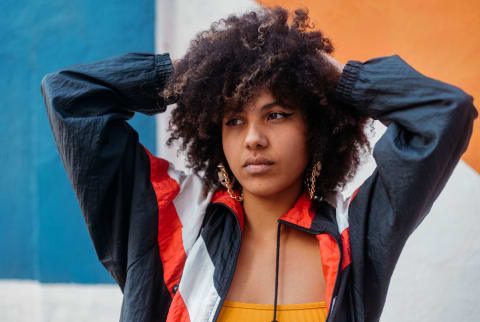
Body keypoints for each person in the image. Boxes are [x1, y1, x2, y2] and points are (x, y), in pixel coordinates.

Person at [40, 6, 477, 322]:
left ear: (316, 126)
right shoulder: (171, 221)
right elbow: (70, 97)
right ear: (215, 133)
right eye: (234, 119)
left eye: (277, 114)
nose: (253, 138)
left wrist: (341, 79)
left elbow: (444, 114)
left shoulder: (355, 232)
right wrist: (193, 71)